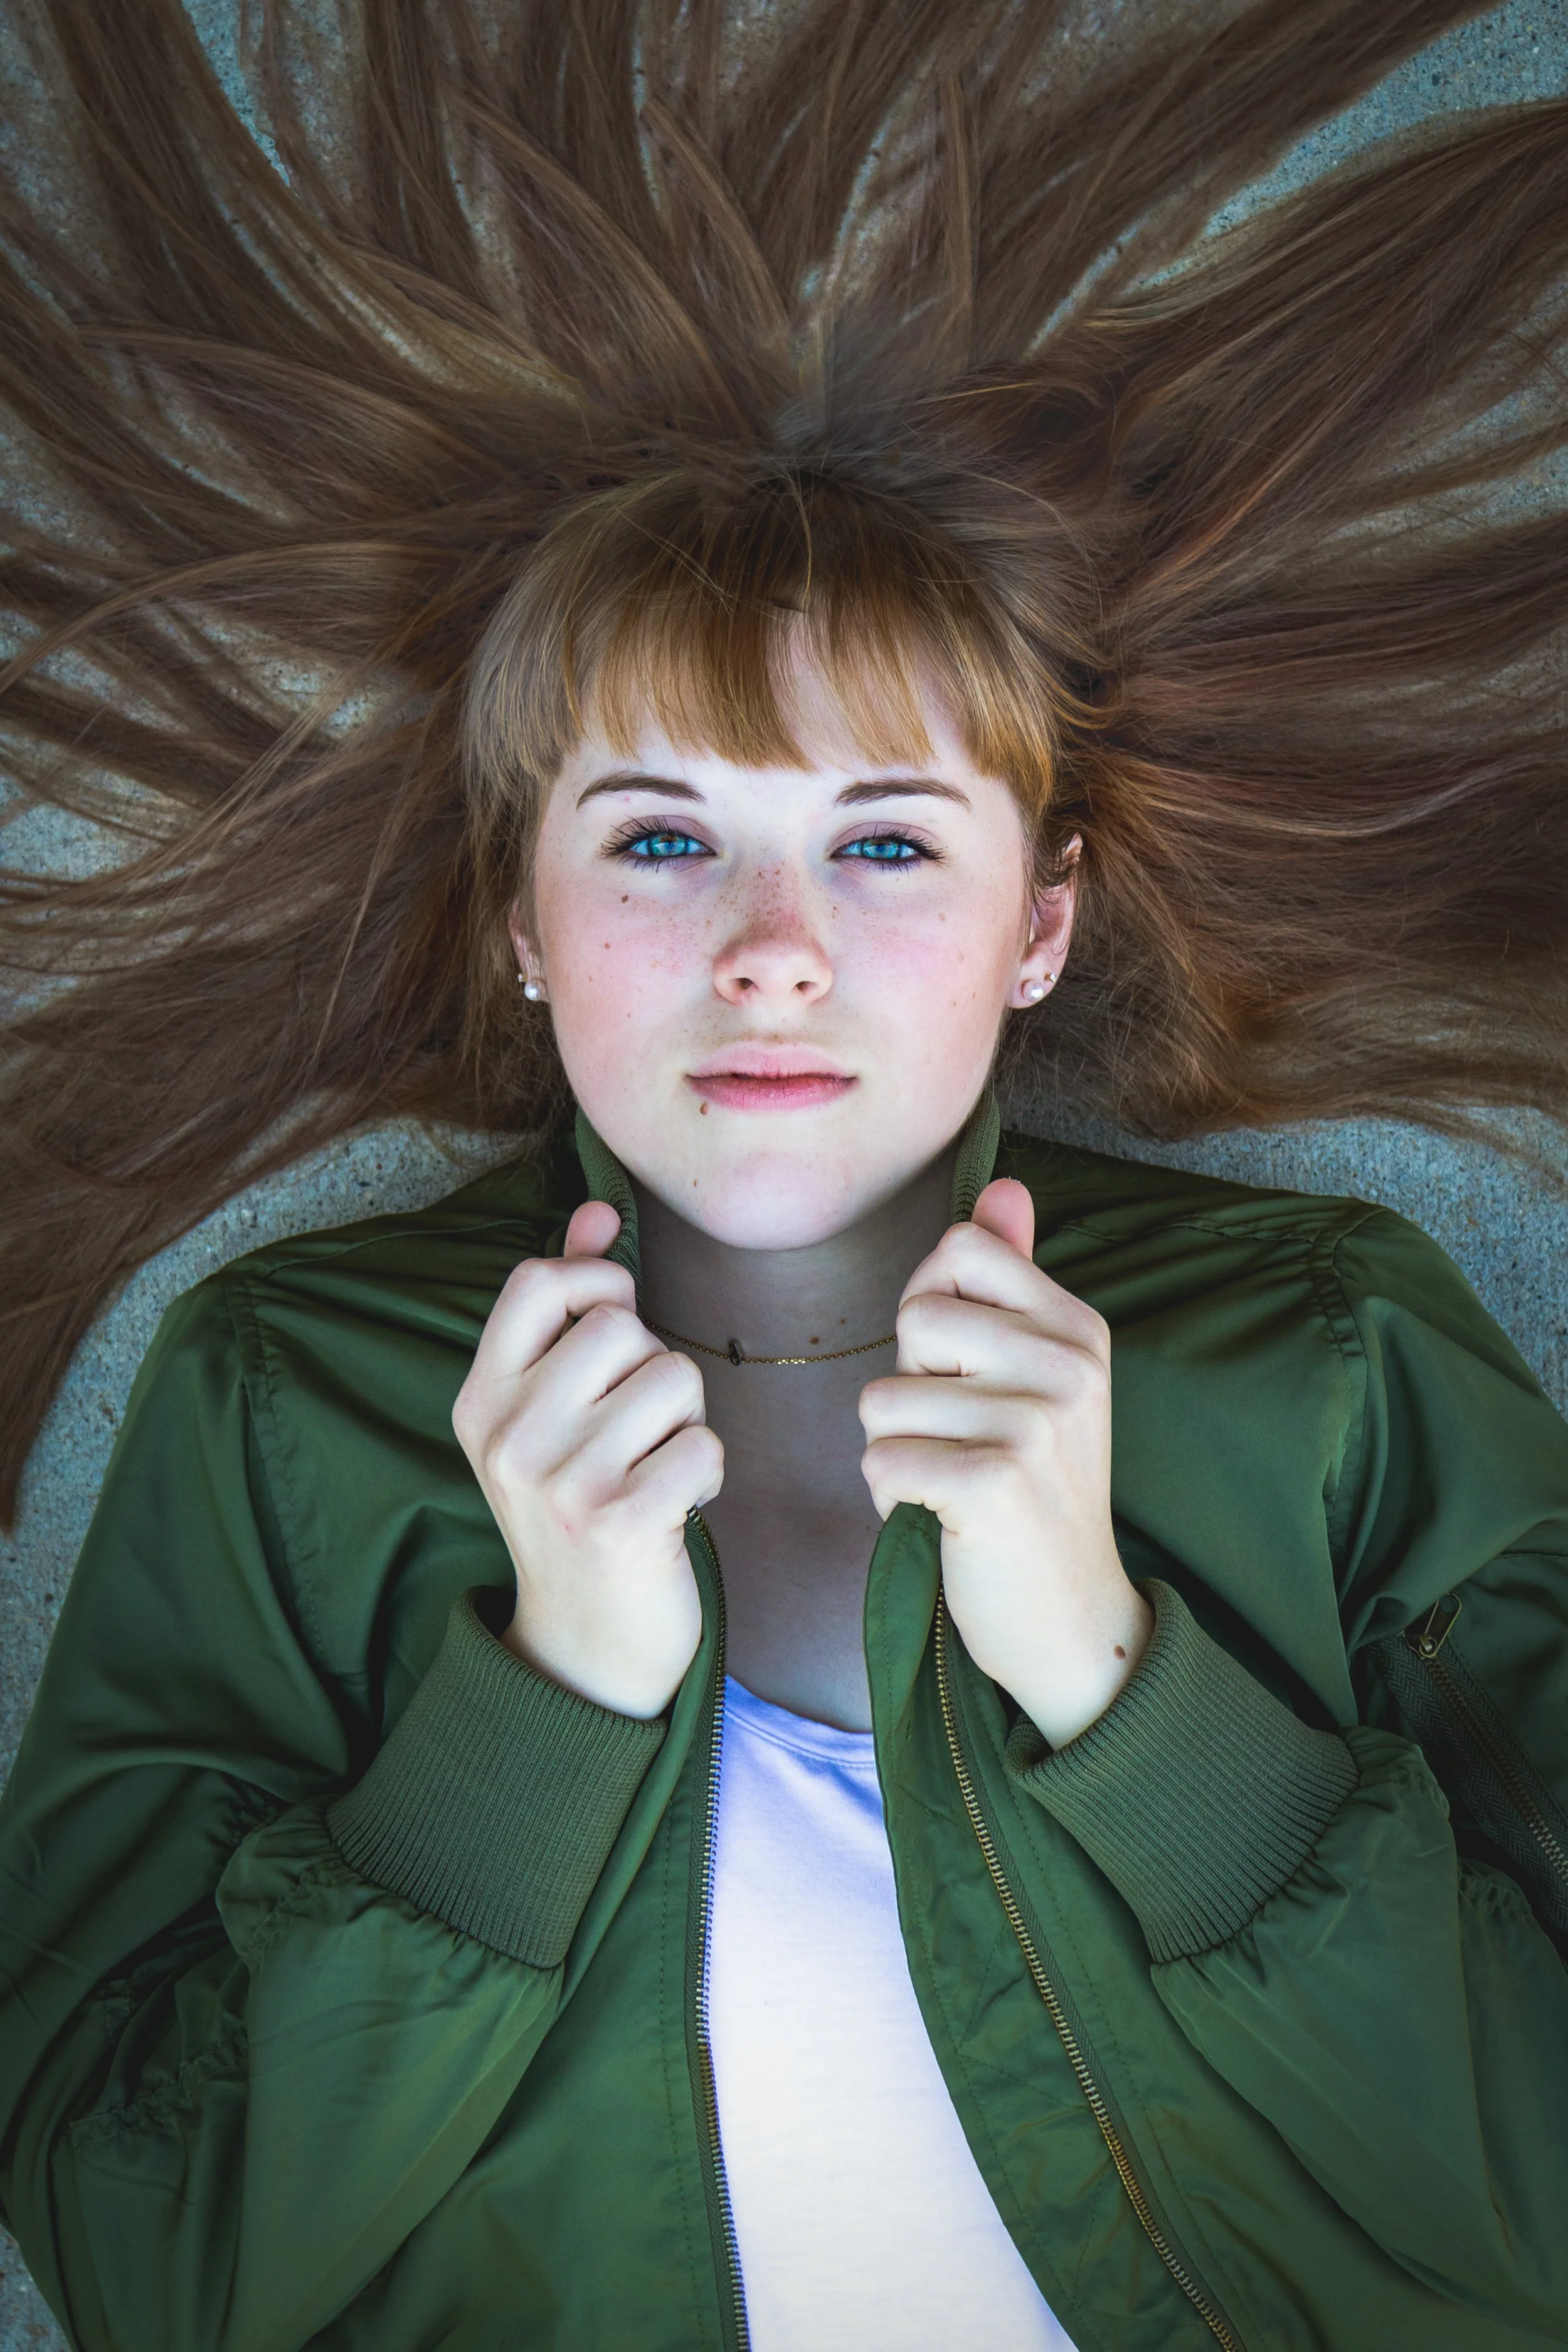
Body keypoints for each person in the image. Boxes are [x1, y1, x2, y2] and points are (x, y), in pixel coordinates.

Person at [1, 3, 1567, 2348]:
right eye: (659, 838)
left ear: (1038, 925)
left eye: (883, 842)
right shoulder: (276, 1399)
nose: (768, 949)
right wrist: (546, 1698)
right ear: (522, 922)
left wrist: (1114, 1673)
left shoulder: (1334, 1346)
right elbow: (149, 2265)